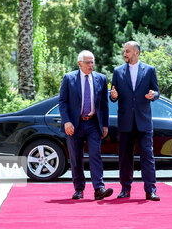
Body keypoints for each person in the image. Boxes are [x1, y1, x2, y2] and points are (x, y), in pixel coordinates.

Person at [59, 50, 113, 200]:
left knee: (95, 155)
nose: (91, 65)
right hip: (74, 125)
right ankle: (79, 189)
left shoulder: (101, 79)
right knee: (76, 158)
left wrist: (105, 125)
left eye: (92, 62)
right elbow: (62, 102)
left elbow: (104, 104)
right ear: (79, 63)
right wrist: (67, 121)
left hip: (93, 124)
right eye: (87, 62)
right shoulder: (69, 78)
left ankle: (99, 188)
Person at [110, 41, 160, 201]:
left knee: (148, 156)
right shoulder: (117, 72)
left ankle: (150, 190)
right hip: (125, 122)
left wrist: (154, 95)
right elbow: (113, 94)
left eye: (128, 51)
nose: (124, 54)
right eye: (124, 51)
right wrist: (113, 96)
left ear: (136, 53)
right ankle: (125, 188)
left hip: (143, 121)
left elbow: (157, 91)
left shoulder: (149, 70)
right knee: (125, 157)